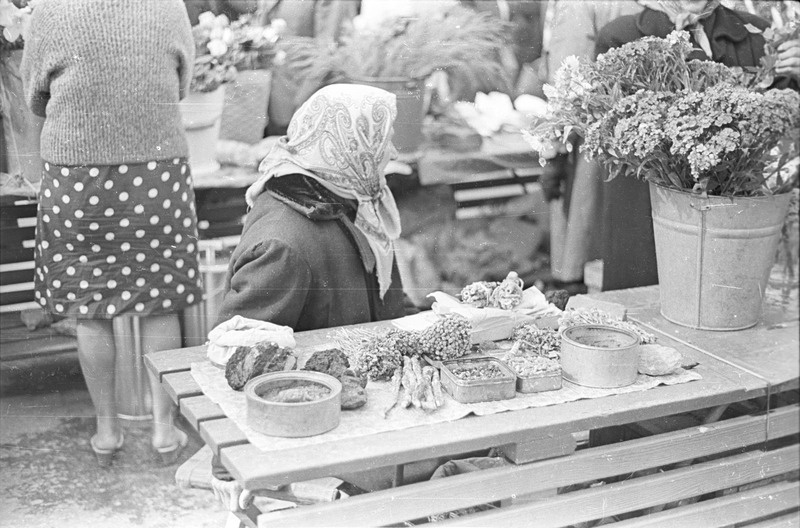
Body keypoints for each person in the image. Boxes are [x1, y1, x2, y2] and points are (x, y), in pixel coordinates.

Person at [21, 0, 203, 467]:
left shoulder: (50, 11)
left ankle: (107, 431)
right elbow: (182, 85)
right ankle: (164, 430)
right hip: (157, 170)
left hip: (77, 176)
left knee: (90, 305)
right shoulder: (168, 6)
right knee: (161, 298)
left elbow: (35, 98)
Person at [210, 83, 408, 507]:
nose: (392, 152)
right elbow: (236, 365)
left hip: (355, 405)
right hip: (316, 441)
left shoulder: (341, 195)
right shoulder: (285, 243)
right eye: (383, 140)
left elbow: (388, 304)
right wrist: (231, 469)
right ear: (346, 146)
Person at [595, 0, 800, 291]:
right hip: (648, 217)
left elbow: (784, 123)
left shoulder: (756, 34)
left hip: (731, 220)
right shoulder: (621, 36)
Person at [541, 0, 643, 294]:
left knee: (581, 255)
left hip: (596, 144)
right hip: (641, 140)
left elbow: (568, 82)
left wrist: (552, 154)